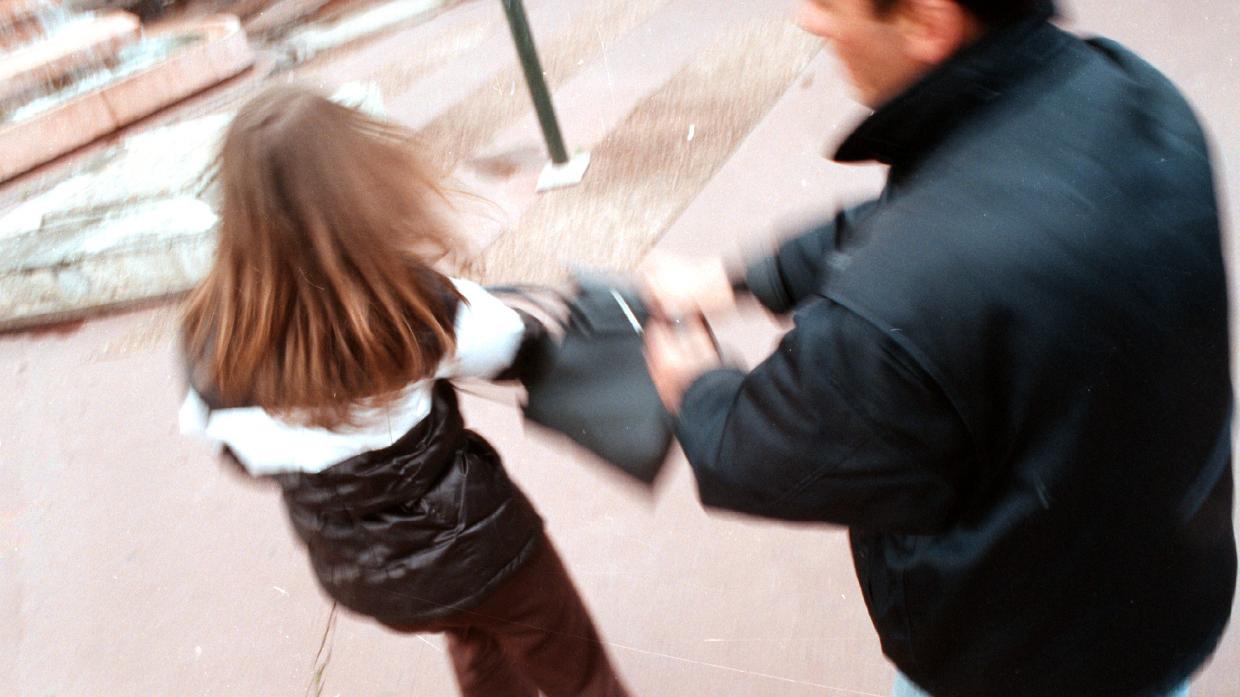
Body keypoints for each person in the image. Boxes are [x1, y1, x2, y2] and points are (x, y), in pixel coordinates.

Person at [640, 1, 1235, 696]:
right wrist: (738, 277)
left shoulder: (907, 300)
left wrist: (694, 384)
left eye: (833, 2)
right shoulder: (1130, 93)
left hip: (1010, 664)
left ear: (926, 21)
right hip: (1163, 612)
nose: (810, 19)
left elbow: (759, 448)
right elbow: (935, 218)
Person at [178, 84, 628, 697]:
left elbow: (232, 450)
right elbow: (505, 344)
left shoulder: (208, 335)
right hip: (486, 547)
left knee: (471, 634)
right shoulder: (403, 300)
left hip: (367, 577)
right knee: (572, 669)